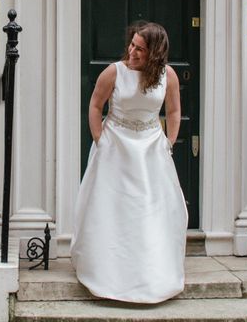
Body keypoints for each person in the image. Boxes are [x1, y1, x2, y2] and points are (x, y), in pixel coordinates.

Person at [71, 22, 187, 304]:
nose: (132, 51)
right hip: (116, 145)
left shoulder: (167, 75)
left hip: (150, 148)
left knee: (151, 209)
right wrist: (100, 139)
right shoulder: (114, 72)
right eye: (132, 45)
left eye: (140, 49)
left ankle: (151, 274)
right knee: (112, 207)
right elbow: (96, 105)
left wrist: (169, 142)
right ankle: (106, 272)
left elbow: (173, 110)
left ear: (155, 53)